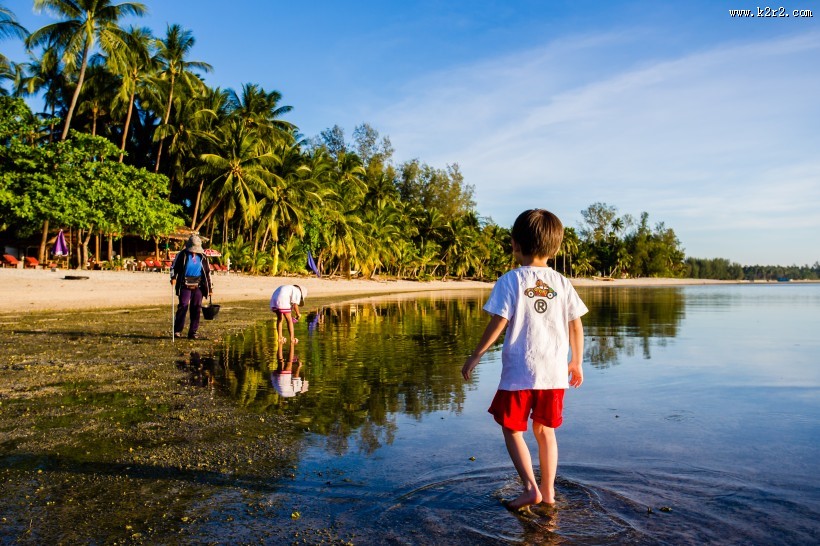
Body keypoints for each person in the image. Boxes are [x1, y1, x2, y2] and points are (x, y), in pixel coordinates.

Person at [462, 209, 587, 511]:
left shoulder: (510, 280)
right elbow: (575, 324)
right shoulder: (562, 282)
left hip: (520, 374)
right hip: (554, 374)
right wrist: (577, 361)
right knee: (546, 431)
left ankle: (531, 488)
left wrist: (475, 355)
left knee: (512, 429)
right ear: (555, 248)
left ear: (515, 244)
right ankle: (549, 491)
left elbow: (498, 323)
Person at [170, 235, 212, 339]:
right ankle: (177, 331)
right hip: (184, 284)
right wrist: (173, 277)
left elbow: (207, 273)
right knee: (183, 306)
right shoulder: (182, 255)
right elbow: (173, 267)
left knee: (196, 308)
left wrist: (210, 288)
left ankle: (193, 332)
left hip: (198, 285)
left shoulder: (203, 257)